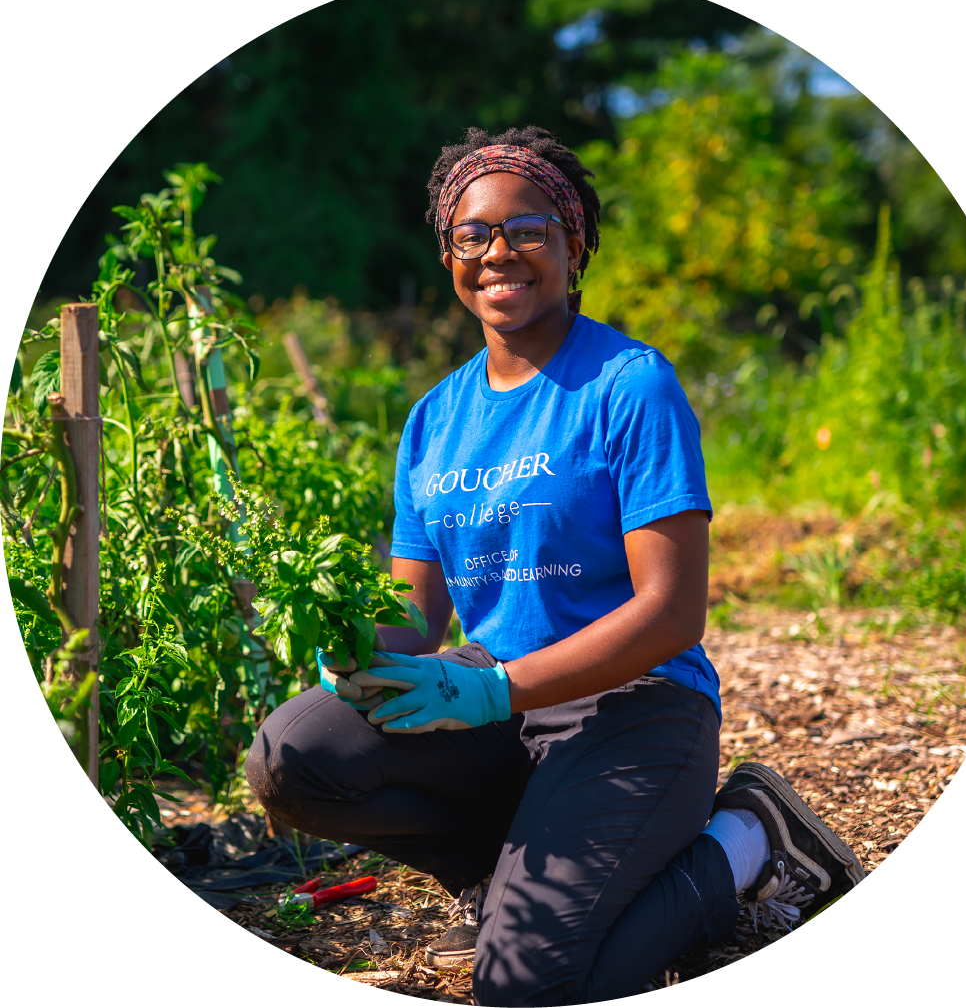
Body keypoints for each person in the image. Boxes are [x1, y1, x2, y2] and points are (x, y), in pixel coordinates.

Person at [245, 125, 865, 1007]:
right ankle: (495, 883)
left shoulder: (628, 384)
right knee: (292, 756)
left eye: (528, 228)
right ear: (450, 253)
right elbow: (417, 617)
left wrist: (496, 691)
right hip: (504, 705)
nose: (499, 252)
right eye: (473, 234)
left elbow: (671, 614)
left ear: (574, 244)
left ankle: (745, 842)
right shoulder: (434, 417)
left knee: (524, 985)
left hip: (637, 707)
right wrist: (344, 636)